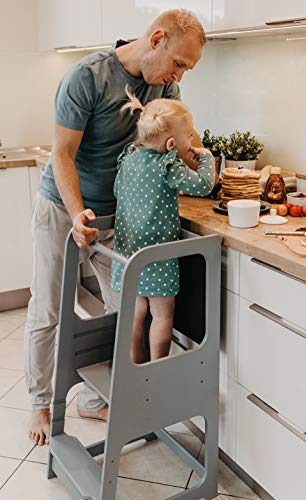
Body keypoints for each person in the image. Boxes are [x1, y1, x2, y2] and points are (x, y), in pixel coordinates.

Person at [25, 9, 208, 446]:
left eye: (185, 68)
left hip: (116, 218)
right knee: (49, 307)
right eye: (179, 62)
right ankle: (38, 403)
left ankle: (93, 400)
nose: (179, 75)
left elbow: (161, 144)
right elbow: (63, 154)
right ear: (157, 38)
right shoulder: (86, 78)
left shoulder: (165, 86)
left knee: (123, 310)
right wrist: (76, 214)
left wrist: (191, 152)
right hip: (62, 206)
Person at [112, 89, 215, 363]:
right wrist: (207, 158)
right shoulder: (168, 166)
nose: (192, 140)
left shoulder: (129, 158)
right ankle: (156, 370)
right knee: (162, 315)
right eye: (189, 135)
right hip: (157, 258)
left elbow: (117, 190)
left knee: (134, 315)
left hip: (128, 254)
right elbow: (204, 186)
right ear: (171, 144)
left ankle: (134, 367)